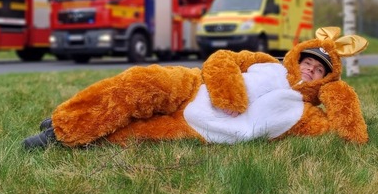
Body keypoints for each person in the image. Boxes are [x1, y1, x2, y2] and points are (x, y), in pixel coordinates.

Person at [23, 40, 340, 150]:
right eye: (307, 61)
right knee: (138, 83)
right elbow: (221, 58)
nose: (310, 70)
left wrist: (341, 97)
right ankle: (65, 125)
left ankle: (70, 131)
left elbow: (341, 127)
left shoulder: (307, 114)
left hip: (199, 129)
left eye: (319, 70)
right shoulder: (267, 62)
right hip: (194, 86)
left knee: (131, 134)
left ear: (326, 78)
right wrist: (227, 93)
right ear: (296, 57)